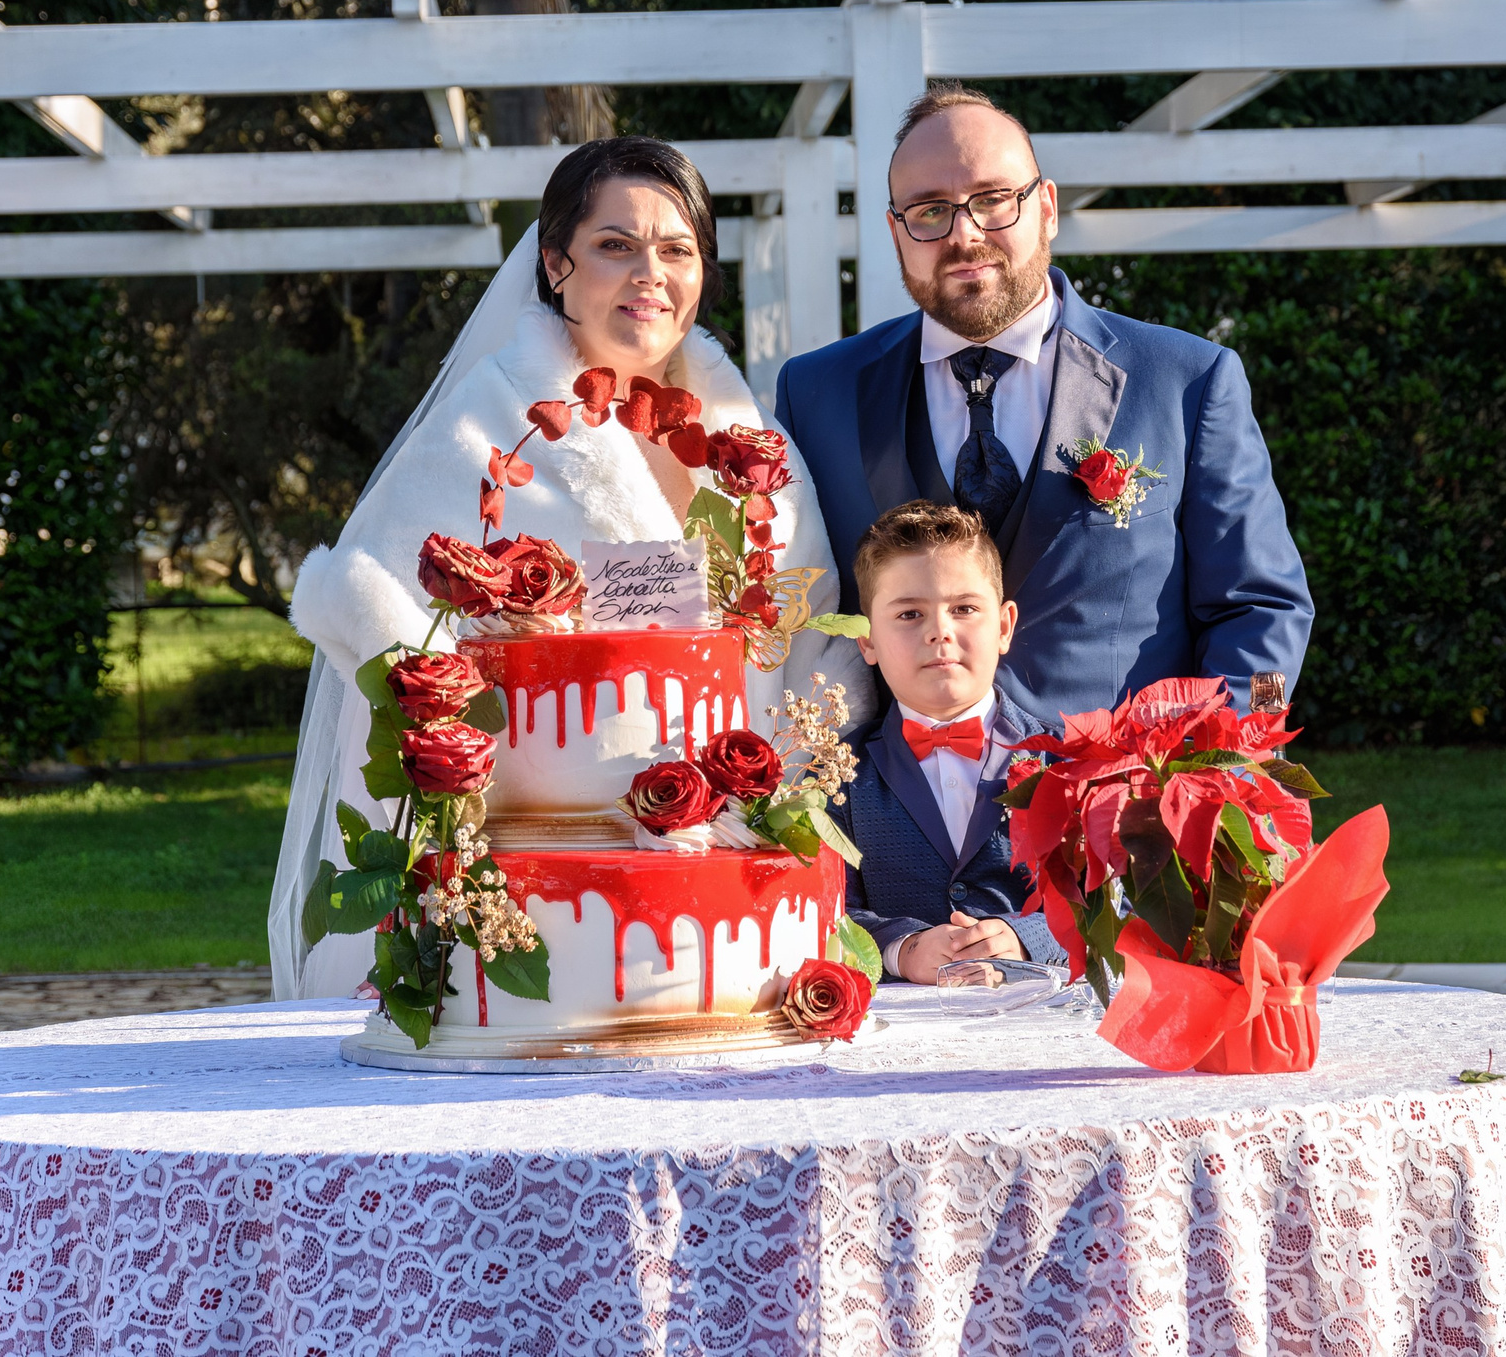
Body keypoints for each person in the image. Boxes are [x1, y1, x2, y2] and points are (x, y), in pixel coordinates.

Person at [269, 137, 865, 1000]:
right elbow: (388, 629)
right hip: (534, 906)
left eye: (677, 250)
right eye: (615, 245)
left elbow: (804, 640)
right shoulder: (485, 431)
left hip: (723, 905)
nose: (648, 274)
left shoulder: (753, 443)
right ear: (555, 263)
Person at [775, 84, 1313, 729]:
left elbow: (1266, 606)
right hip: (893, 817)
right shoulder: (816, 393)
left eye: (994, 200)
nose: (965, 234)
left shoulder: (1188, 380)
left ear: (1047, 208)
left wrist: (1241, 752)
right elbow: (801, 612)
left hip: (1119, 811)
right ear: (896, 232)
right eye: (928, 211)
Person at [835, 500, 1064, 983]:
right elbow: (821, 909)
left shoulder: (1065, 757)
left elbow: (1119, 900)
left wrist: (1028, 938)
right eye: (909, 614)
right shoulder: (835, 773)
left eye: (964, 609)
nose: (939, 632)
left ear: (1003, 626)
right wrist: (902, 947)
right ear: (868, 640)